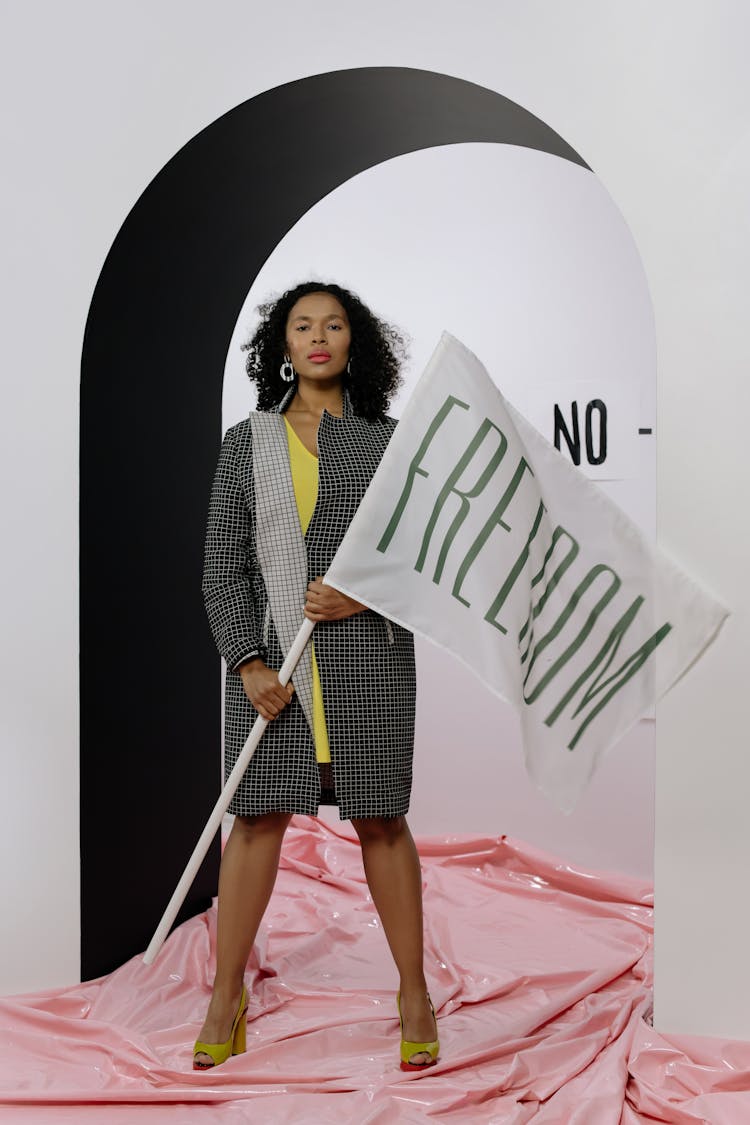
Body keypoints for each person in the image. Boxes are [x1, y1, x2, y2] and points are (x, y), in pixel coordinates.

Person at [194, 281, 439, 1072]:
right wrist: (247, 662)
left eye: (334, 324)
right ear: (284, 344)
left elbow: (420, 559)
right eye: (303, 325)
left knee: (381, 819)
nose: (319, 336)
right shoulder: (247, 441)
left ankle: (414, 992)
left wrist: (359, 590)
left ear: (353, 342)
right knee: (257, 819)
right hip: (276, 668)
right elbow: (222, 569)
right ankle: (226, 991)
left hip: (367, 659)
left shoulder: (390, 441)